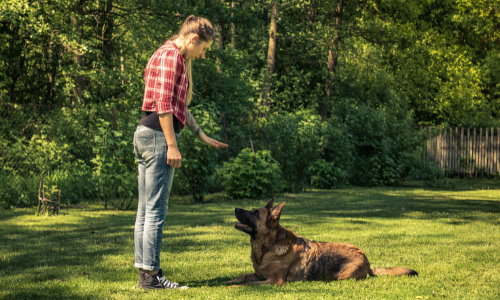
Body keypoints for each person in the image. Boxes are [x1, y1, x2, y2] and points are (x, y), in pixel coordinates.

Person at [133, 15, 228, 290]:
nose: (202, 55)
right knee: (155, 211)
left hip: (150, 135)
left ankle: (145, 274)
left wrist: (201, 135)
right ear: (194, 39)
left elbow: (179, 107)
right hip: (157, 137)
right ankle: (152, 277)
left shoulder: (172, 55)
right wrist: (172, 145)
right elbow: (163, 104)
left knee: (145, 210)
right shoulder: (171, 56)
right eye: (205, 49)